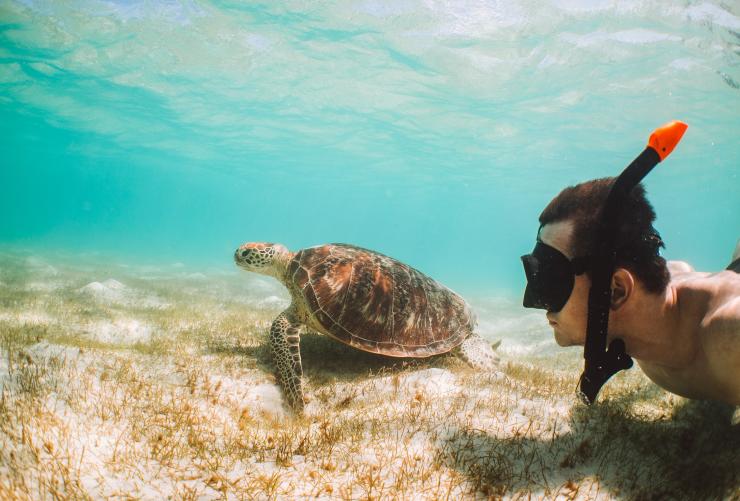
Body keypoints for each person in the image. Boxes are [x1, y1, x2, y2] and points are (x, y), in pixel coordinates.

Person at [523, 177, 739, 406]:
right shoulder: (643, 309)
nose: (535, 299)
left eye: (552, 280)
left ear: (616, 290)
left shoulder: (729, 335)